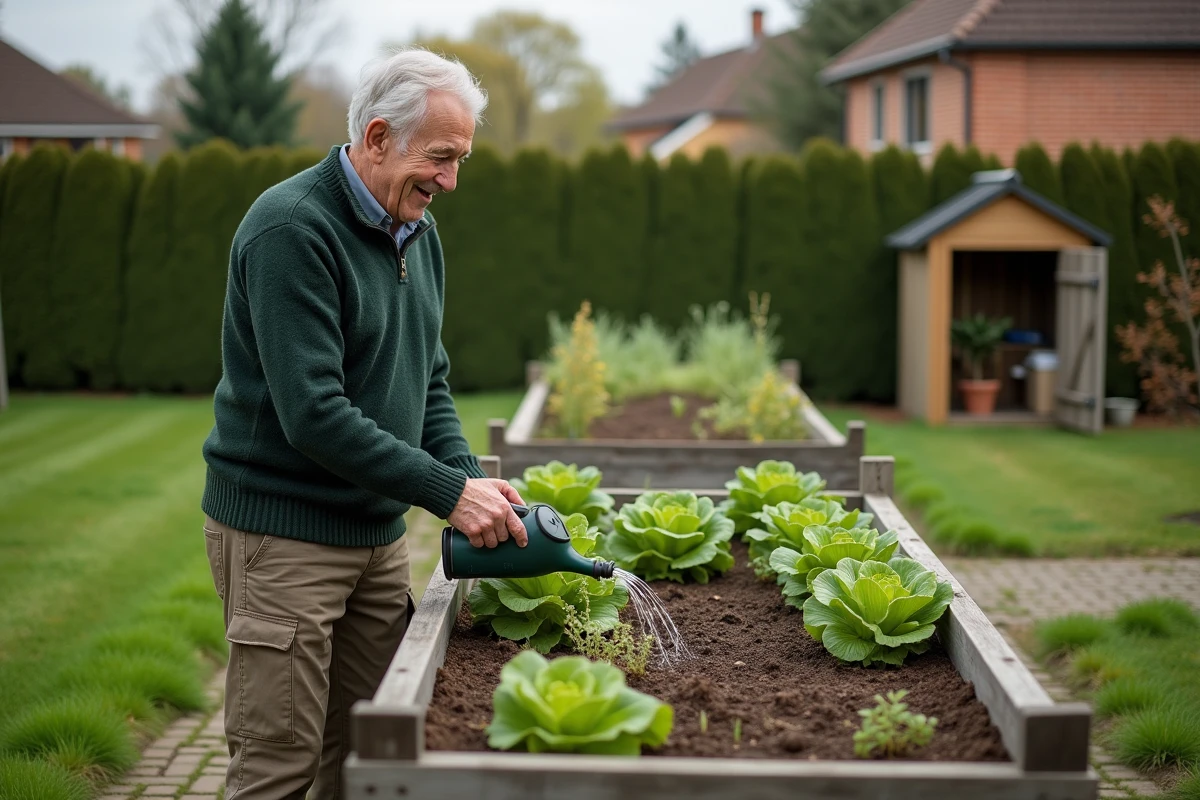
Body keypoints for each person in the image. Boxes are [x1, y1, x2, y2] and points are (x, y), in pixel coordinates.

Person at [200, 48, 527, 799]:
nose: (451, 180)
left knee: (366, 758)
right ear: (378, 137)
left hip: (376, 541)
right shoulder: (291, 229)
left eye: (461, 159)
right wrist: (447, 493)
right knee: (278, 766)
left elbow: (428, 381)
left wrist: (471, 482)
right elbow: (314, 415)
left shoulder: (418, 233)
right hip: (284, 538)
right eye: (440, 157)